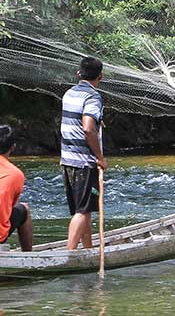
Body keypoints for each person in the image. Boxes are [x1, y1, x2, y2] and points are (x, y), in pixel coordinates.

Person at [61, 56, 107, 250]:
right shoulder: (93, 97)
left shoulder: (69, 93)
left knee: (83, 210)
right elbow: (88, 128)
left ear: (78, 74)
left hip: (67, 160)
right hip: (84, 163)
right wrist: (100, 158)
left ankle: (88, 251)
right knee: (82, 212)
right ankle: (69, 255)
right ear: (101, 76)